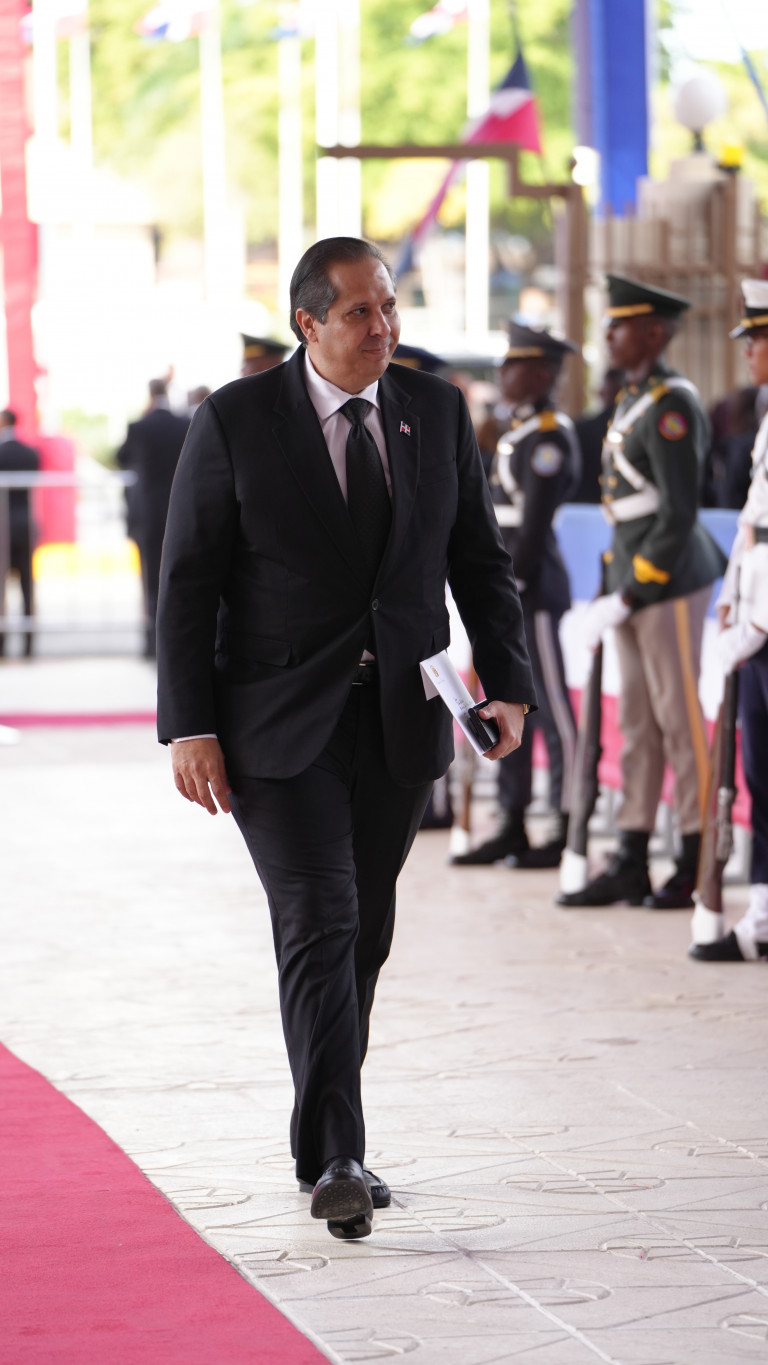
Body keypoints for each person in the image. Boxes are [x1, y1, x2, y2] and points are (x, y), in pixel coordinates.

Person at [156, 237, 536, 1240]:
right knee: (320, 918)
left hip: (398, 717)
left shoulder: (435, 411)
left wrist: (510, 685)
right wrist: (188, 724)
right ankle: (340, 1157)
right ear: (309, 323)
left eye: (390, 305)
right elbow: (188, 581)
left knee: (362, 932)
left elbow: (479, 560)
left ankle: (318, 1135)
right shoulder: (237, 420)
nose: (384, 327)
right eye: (361, 311)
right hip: (275, 727)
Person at [558, 274, 727, 910]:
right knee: (636, 722)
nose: (608, 335)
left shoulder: (672, 404)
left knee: (679, 720)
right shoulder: (635, 397)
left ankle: (695, 855)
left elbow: (678, 513)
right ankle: (632, 853)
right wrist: (618, 588)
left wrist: (636, 590)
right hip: (632, 579)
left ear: (654, 333)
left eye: (620, 325)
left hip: (670, 579)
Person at [452, 323, 580, 868]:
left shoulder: (549, 435)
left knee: (553, 712)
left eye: (515, 365)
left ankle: (567, 822)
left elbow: (532, 528)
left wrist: (509, 587)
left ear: (543, 374)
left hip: (533, 589)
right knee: (503, 704)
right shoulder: (519, 430)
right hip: (509, 590)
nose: (503, 374)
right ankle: (512, 820)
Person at [690, 279, 768, 962]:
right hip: (755, 617)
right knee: (758, 772)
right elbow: (752, 524)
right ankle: (763, 910)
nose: (748, 353)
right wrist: (732, 598)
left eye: (758, 340)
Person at [116, 379, 189, 659]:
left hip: (147, 513)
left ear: (149, 395)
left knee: (150, 580)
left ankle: (152, 643)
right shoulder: (183, 424)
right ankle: (176, 641)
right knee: (179, 575)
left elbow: (121, 457)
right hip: (179, 510)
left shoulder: (139, 427)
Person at [0, 410, 39, 658]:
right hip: (24, 523)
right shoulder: (30, 453)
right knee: (27, 584)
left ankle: (1, 642)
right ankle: (29, 642)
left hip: (3, 524)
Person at [572, 368, 625, 504]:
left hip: (584, 504)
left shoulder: (579, 428)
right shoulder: (636, 428)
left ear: (600, 393)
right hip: (624, 505)